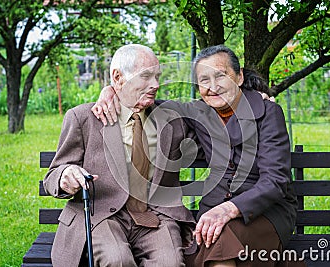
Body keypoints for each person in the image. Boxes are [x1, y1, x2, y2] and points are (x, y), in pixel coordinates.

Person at [92, 45, 299, 267]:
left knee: (219, 241)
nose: (212, 87)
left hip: (265, 212)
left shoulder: (267, 112)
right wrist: (111, 90)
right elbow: (144, 100)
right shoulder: (199, 113)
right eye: (204, 80)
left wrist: (228, 210)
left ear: (239, 77)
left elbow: (275, 181)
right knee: (198, 245)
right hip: (214, 210)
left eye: (221, 76)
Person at [43, 44, 196, 267]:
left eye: (157, 76)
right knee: (117, 260)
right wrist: (66, 174)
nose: (156, 84)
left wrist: (259, 100)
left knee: (169, 263)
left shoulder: (171, 118)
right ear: (118, 77)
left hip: (155, 216)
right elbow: (54, 174)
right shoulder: (84, 118)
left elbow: (214, 110)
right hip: (102, 215)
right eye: (146, 76)